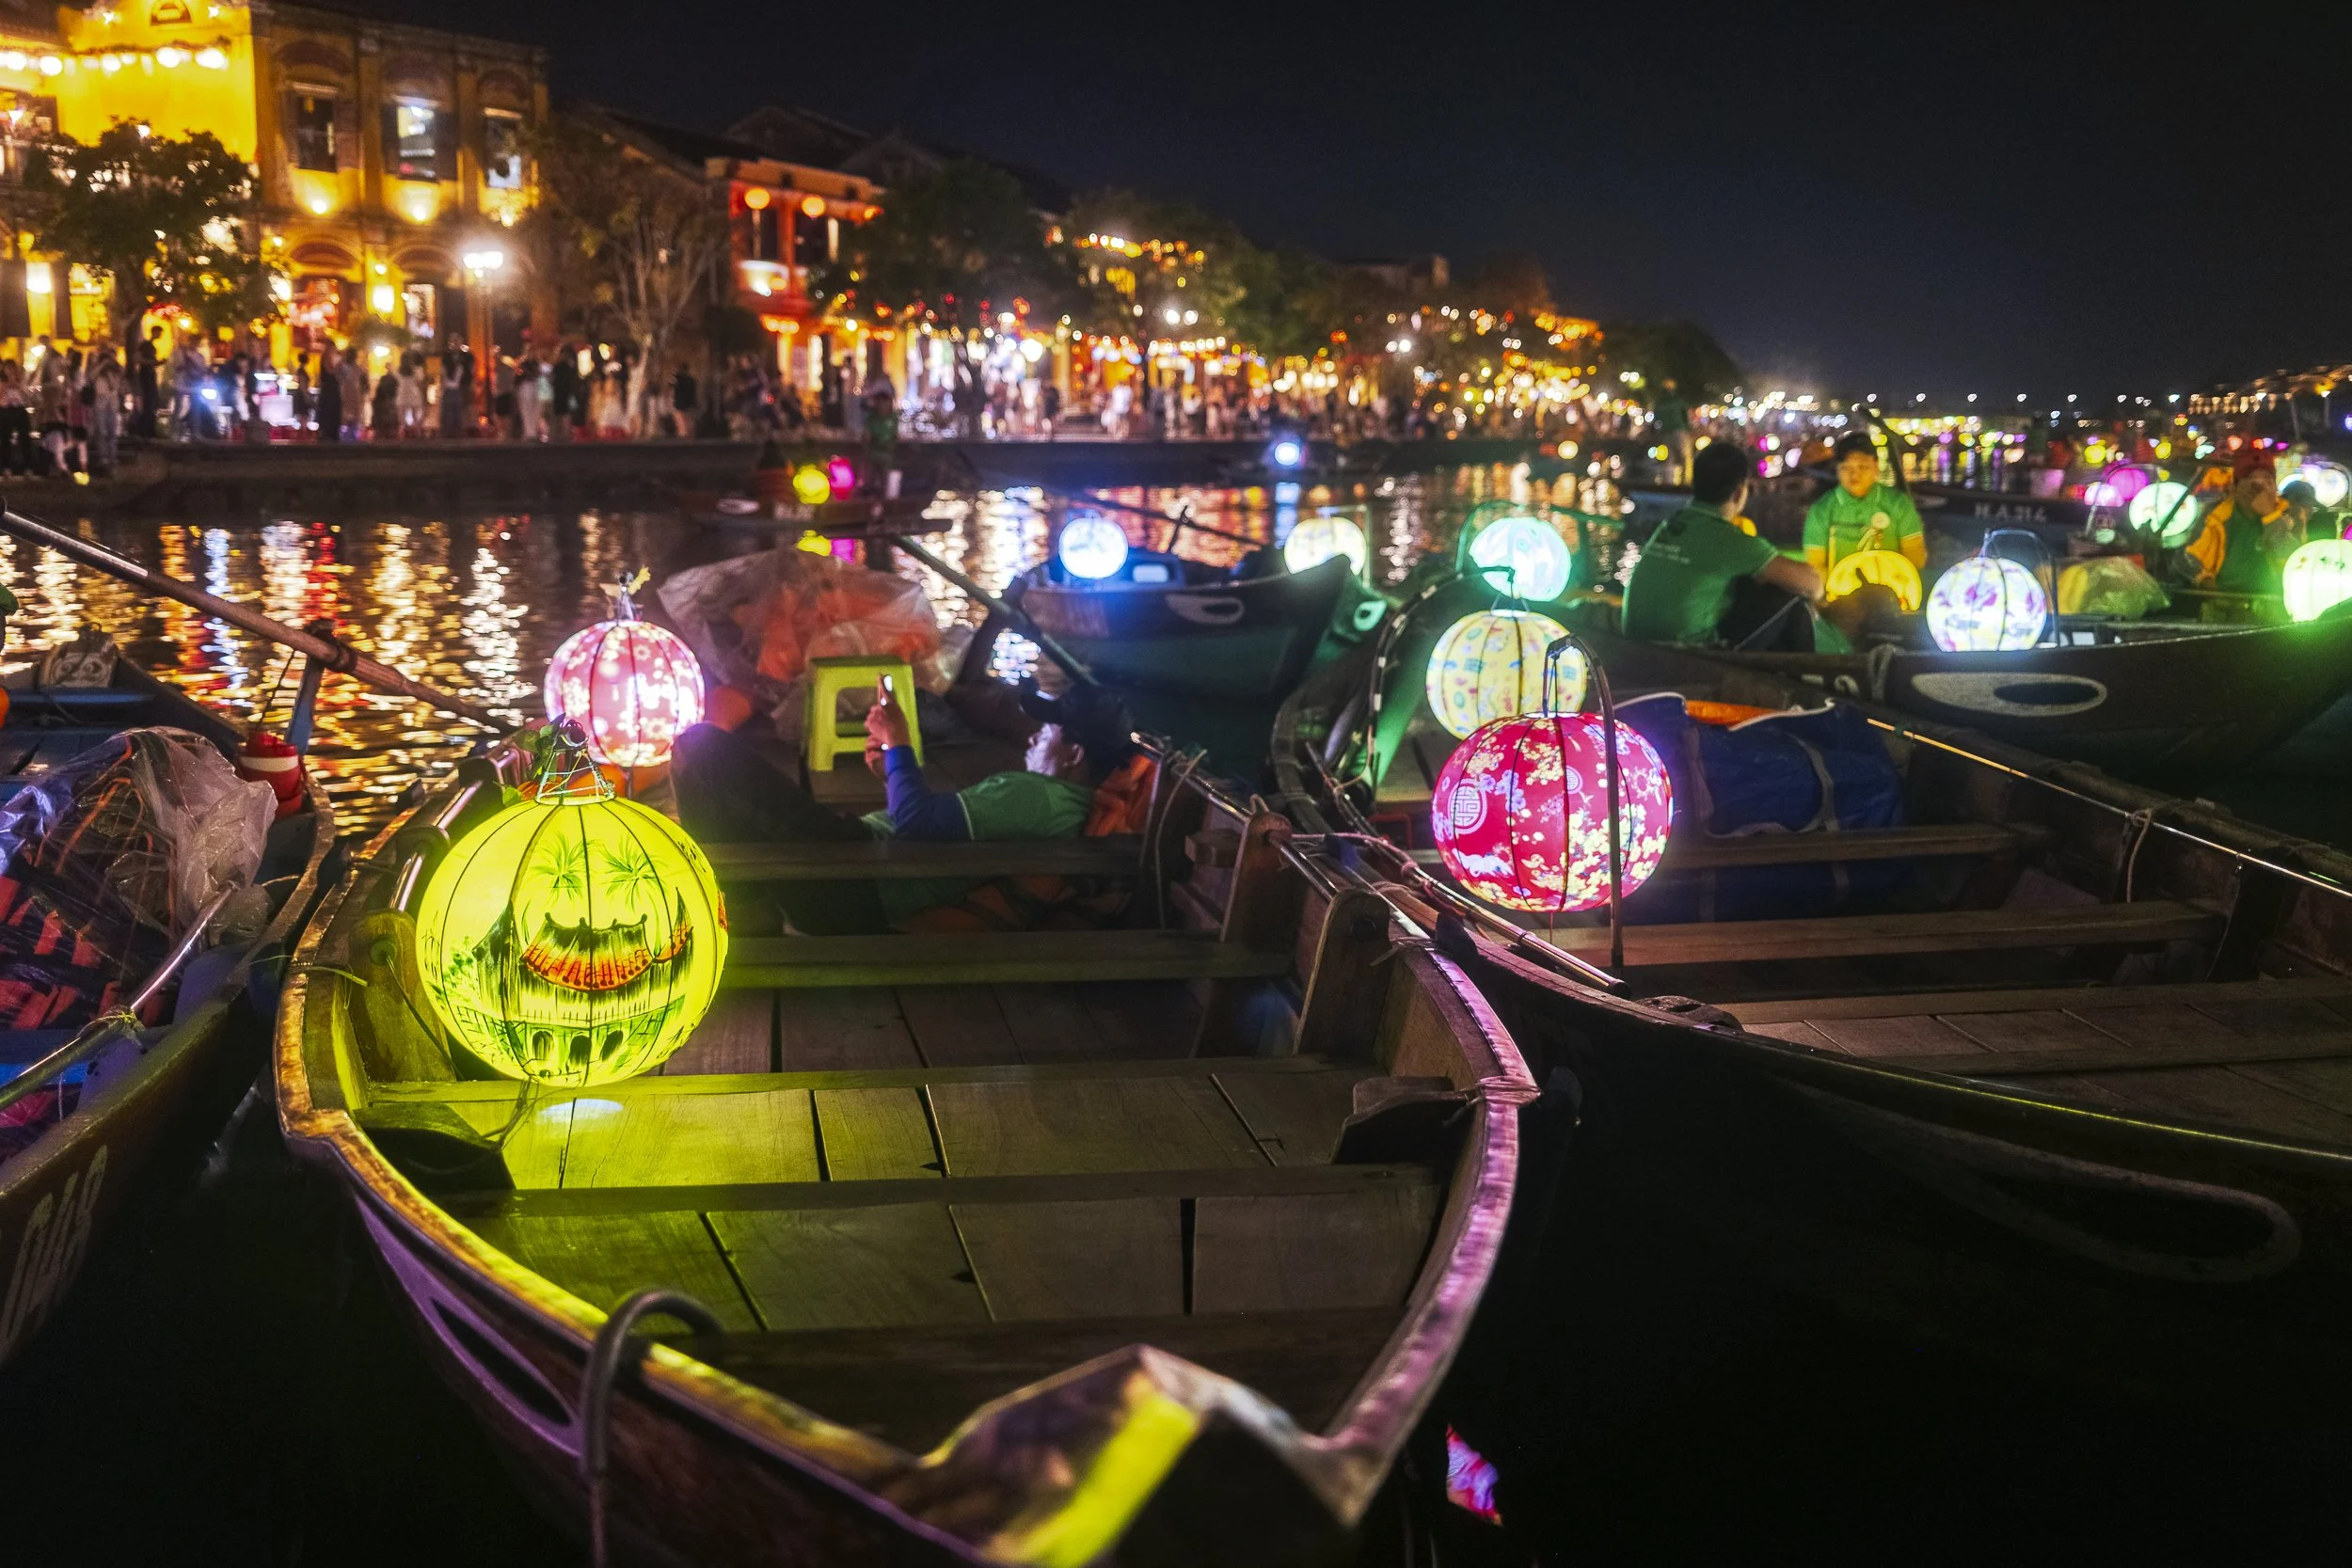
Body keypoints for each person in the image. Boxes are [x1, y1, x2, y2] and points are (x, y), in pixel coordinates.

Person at [673, 682, 1138, 937]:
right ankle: (745, 911)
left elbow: (918, 825)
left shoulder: (1039, 796)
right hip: (858, 872)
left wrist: (900, 743)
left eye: (1048, 732)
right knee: (728, 783)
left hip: (848, 881)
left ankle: (745, 917)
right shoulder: (1064, 810)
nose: (1034, 737)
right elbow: (931, 822)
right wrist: (890, 771)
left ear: (1075, 753)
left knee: (700, 748)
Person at [1621, 439, 1825, 647]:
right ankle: (1801, 675)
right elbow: (1813, 585)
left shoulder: (1671, 525)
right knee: (1789, 597)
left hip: (1637, 646)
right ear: (1739, 492)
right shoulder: (1731, 540)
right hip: (1689, 657)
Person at [1804, 432, 1928, 575]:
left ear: (1876, 466)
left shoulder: (1898, 503)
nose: (1855, 475)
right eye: (1847, 468)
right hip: (1838, 593)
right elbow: (1816, 565)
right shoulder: (1821, 510)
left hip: (1891, 590)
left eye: (1863, 467)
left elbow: (1915, 555)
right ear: (1837, 469)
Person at [2183, 450, 2293, 595]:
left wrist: (2270, 516)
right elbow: (2188, 558)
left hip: (2272, 603)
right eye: (2251, 480)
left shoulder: (2288, 515)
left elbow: (2294, 559)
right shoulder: (2217, 518)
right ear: (2234, 488)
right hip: (2223, 603)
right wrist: (2207, 584)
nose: (2260, 488)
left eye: (2267, 480)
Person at [314, 347, 343, 441]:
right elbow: (330, 371)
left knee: (332, 411)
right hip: (329, 391)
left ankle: (330, 432)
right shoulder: (326, 358)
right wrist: (339, 365)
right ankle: (327, 433)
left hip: (331, 390)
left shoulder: (329, 359)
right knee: (329, 411)